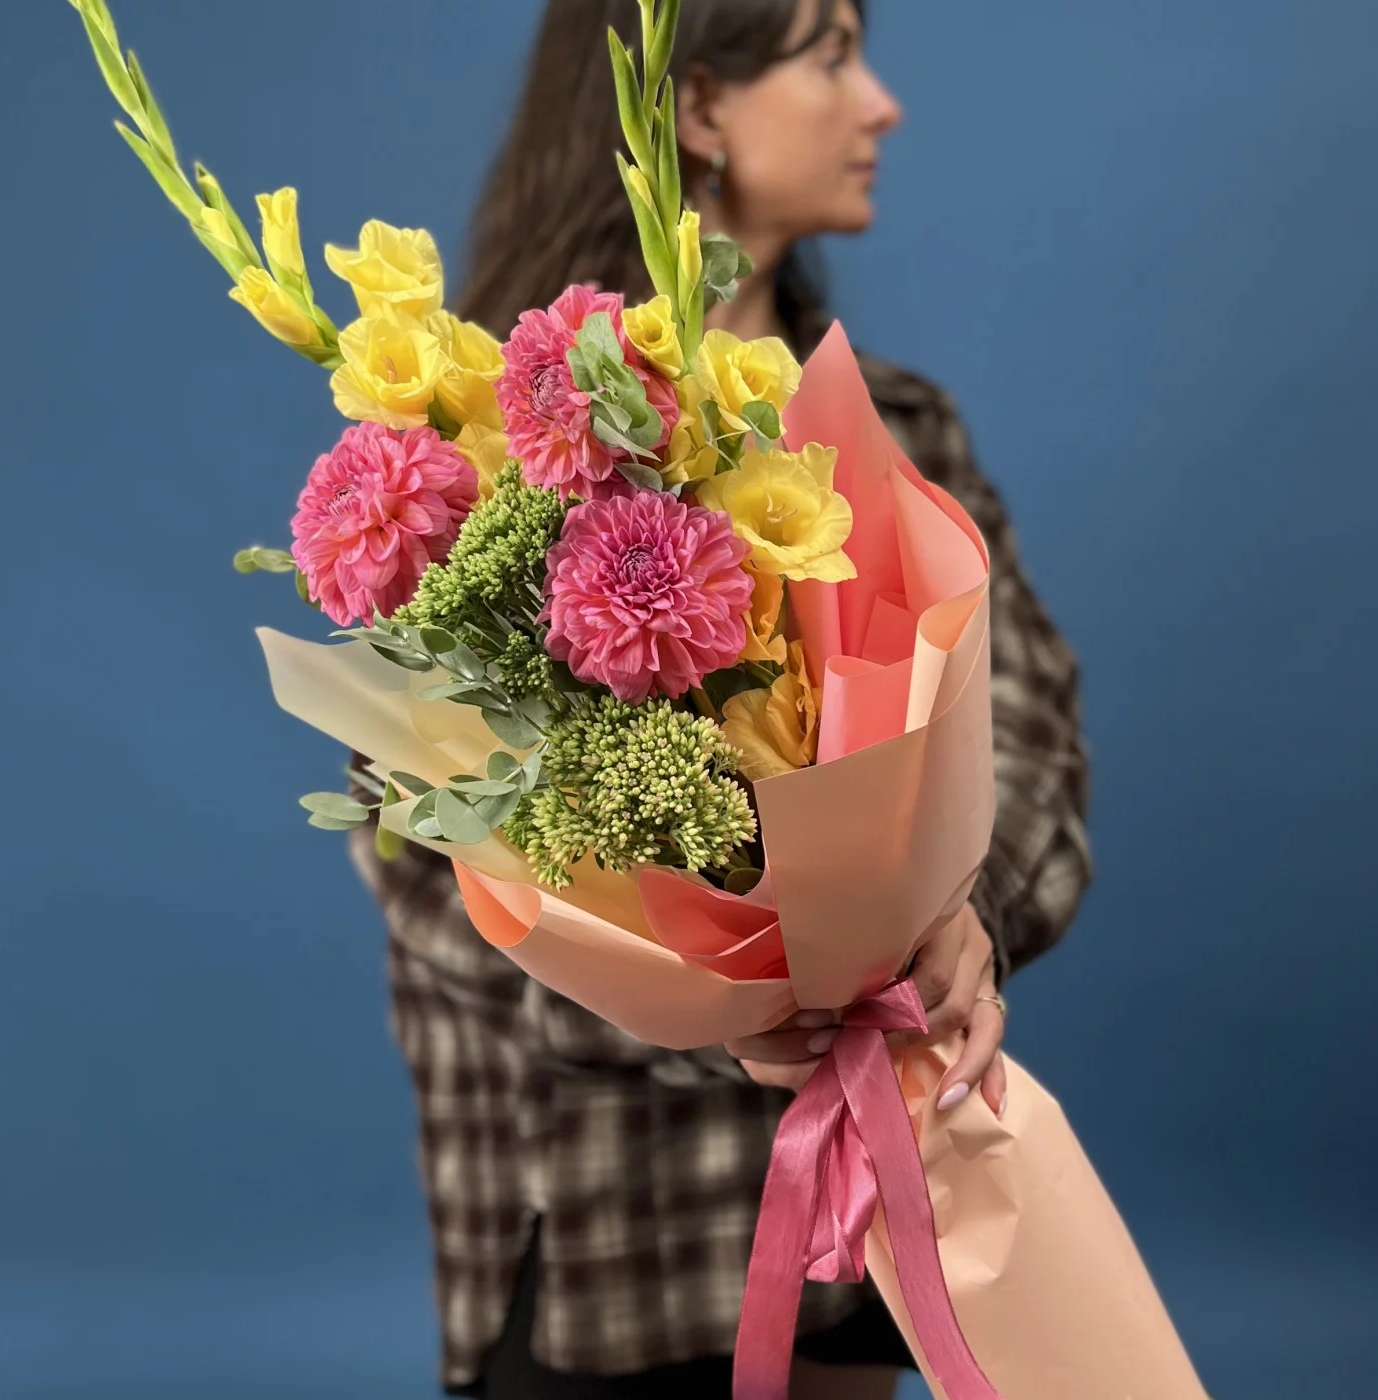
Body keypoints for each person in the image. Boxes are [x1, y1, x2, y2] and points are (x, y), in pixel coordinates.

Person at [348, 1, 1092, 1395]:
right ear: (694, 109)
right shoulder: (494, 448)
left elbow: (1037, 737)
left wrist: (956, 928)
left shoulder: (902, 430)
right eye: (833, 54)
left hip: (874, 1197)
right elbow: (426, 864)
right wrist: (726, 1006)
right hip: (611, 1238)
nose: (883, 104)